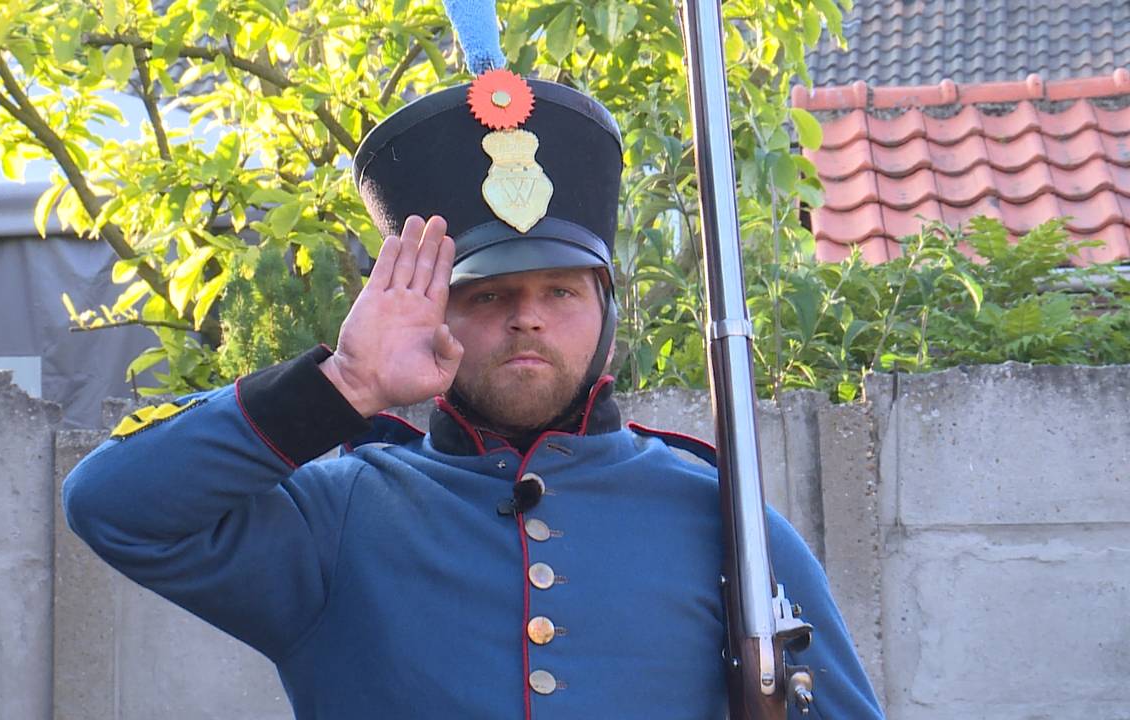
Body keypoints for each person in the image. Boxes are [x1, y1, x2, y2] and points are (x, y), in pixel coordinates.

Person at [63, 74, 884, 719]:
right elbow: (112, 505)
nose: (527, 318)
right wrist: (344, 385)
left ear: (606, 311)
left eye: (561, 292)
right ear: (428, 313)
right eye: (486, 296)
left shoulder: (727, 522)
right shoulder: (340, 516)